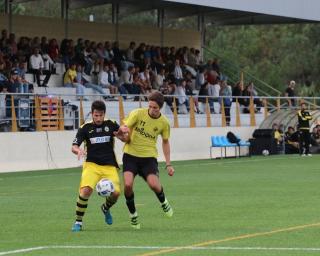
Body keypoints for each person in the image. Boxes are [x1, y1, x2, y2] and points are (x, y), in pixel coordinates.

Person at [118, 91, 174, 229]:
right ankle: (133, 216)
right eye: (150, 106)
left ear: (160, 107)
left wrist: (168, 164)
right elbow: (125, 129)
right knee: (128, 185)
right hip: (130, 155)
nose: (152, 109)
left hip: (149, 158)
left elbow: (165, 142)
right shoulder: (137, 113)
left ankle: (163, 201)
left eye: (155, 107)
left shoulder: (164, 123)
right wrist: (122, 133)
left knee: (154, 184)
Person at [71, 100, 128, 232]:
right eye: (96, 115)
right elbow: (74, 146)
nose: (98, 118)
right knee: (85, 191)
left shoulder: (111, 124)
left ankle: (105, 208)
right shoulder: (85, 128)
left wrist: (122, 133)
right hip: (91, 165)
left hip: (109, 166)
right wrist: (78, 150)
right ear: (92, 114)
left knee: (116, 193)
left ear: (104, 114)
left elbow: (125, 139)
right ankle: (78, 222)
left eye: (100, 115)